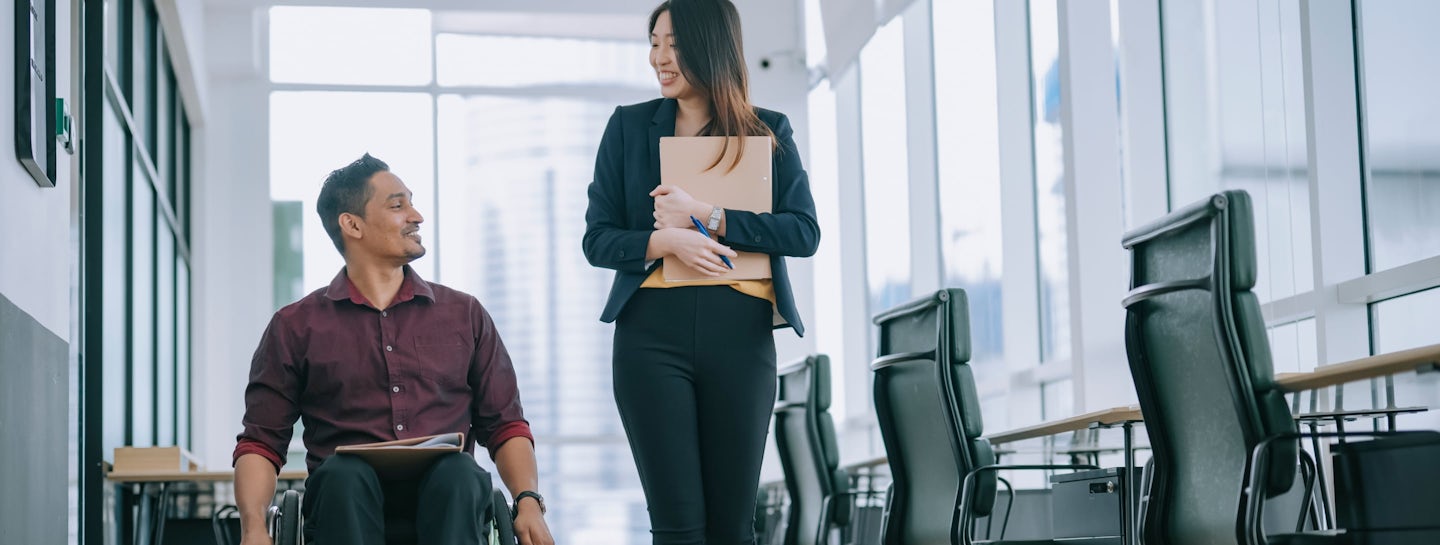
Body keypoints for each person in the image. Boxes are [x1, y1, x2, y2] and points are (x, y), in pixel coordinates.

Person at [582, 0, 820, 542]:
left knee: (734, 528)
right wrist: (667, 241)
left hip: (740, 336)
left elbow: (803, 233)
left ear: (711, 48)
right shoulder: (627, 127)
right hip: (651, 337)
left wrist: (707, 217)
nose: (658, 58)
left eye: (674, 45)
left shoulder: (768, 131)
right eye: (655, 43)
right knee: (678, 527)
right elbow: (597, 240)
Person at [233, 154, 555, 545]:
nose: (416, 216)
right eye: (398, 205)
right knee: (343, 476)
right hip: (344, 503)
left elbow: (506, 425)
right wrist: (254, 529)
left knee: (459, 474)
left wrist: (528, 501)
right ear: (352, 224)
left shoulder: (464, 314)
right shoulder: (294, 326)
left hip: (449, 497)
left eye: (412, 203)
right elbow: (260, 442)